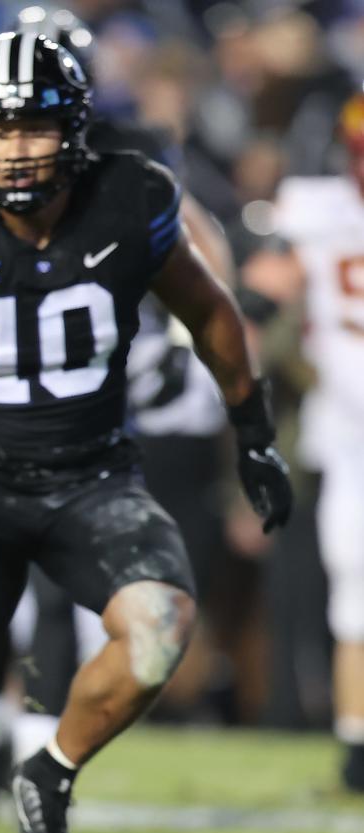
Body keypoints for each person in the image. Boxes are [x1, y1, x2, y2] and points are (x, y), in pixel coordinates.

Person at [0, 32, 292, 833]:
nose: (12, 149)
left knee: (160, 631)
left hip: (92, 477)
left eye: (33, 129)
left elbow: (216, 316)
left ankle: (47, 772)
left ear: (75, 132)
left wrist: (256, 434)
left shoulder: (132, 198)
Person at [250, 91, 364, 792]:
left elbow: (261, 286)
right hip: (346, 430)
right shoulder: (317, 211)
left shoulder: (317, 211)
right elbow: (263, 288)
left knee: (354, 593)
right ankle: (356, 750)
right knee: (352, 595)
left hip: (344, 423)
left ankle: (356, 748)